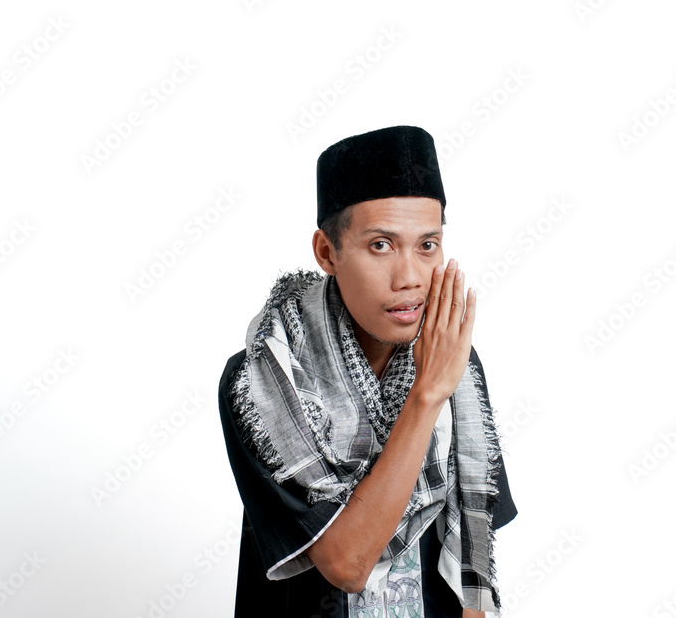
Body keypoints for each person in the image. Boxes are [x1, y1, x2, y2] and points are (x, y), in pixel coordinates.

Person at [217, 125, 517, 617]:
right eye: (381, 245)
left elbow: (469, 567)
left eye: (427, 245)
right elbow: (348, 563)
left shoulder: (451, 360)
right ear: (327, 252)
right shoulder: (260, 383)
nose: (411, 278)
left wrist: (439, 382)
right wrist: (425, 396)